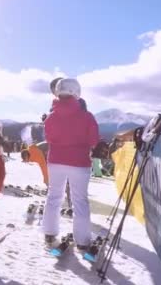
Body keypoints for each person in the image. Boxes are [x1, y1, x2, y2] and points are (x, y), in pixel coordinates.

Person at [42, 78, 99, 249]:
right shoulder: (87, 116)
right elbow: (94, 140)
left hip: (56, 161)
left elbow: (49, 138)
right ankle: (82, 241)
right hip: (79, 162)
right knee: (79, 201)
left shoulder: (51, 117)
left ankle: (50, 234)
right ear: (76, 92)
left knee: (53, 196)